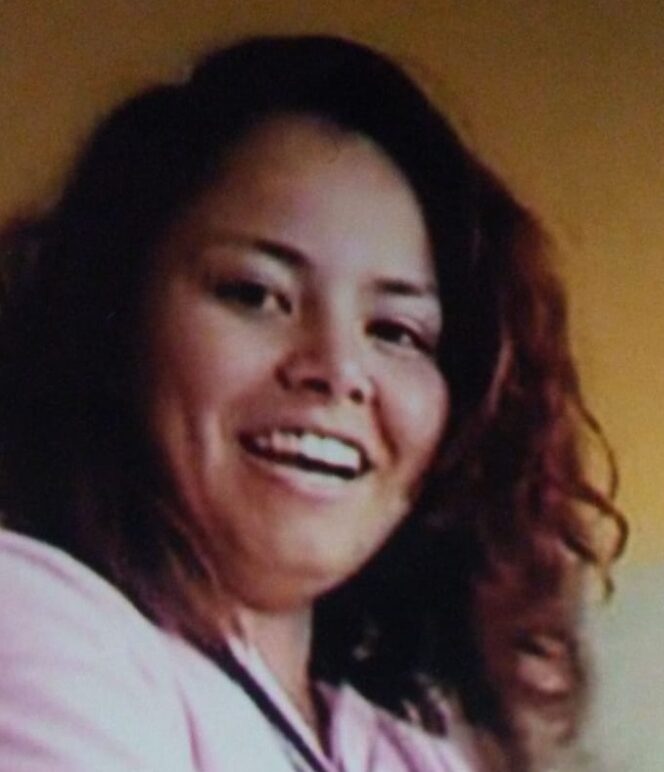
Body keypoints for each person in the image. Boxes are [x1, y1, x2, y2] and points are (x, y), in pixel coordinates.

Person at [0, 35, 626, 771]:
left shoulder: (405, 743)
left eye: (396, 331)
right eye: (255, 294)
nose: (337, 370)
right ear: (111, 315)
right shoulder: (32, 618)